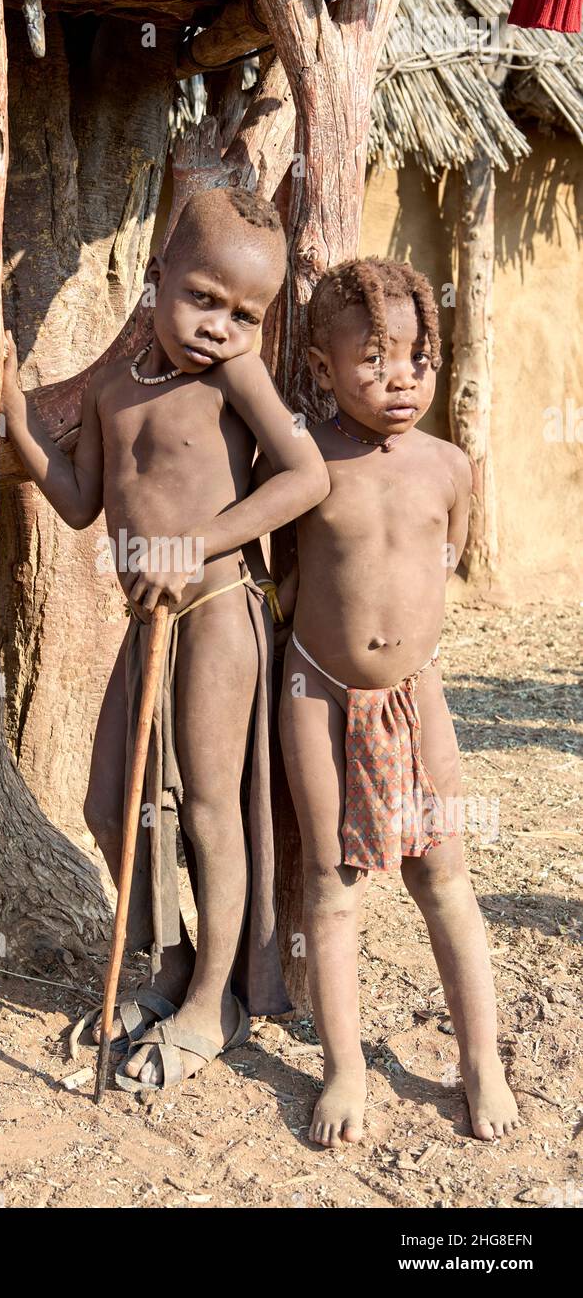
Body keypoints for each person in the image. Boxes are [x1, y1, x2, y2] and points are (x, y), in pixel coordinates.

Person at [1, 187, 329, 1091]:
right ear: (156, 278)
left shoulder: (232, 378)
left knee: (213, 814)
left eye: (245, 314)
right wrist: (13, 412)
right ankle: (173, 961)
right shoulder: (113, 388)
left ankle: (210, 1004)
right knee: (110, 805)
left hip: (219, 608)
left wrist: (194, 546)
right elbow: (76, 504)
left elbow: (302, 478)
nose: (221, 326)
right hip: (145, 621)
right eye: (204, 299)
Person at [275, 257, 520, 1144]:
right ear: (320, 366)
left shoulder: (448, 466)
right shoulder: (304, 464)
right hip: (317, 693)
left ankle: (478, 1063)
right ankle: (343, 1071)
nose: (401, 379)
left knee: (444, 879)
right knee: (332, 889)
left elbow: (443, 558)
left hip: (418, 700)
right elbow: (287, 573)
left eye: (416, 357)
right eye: (372, 361)